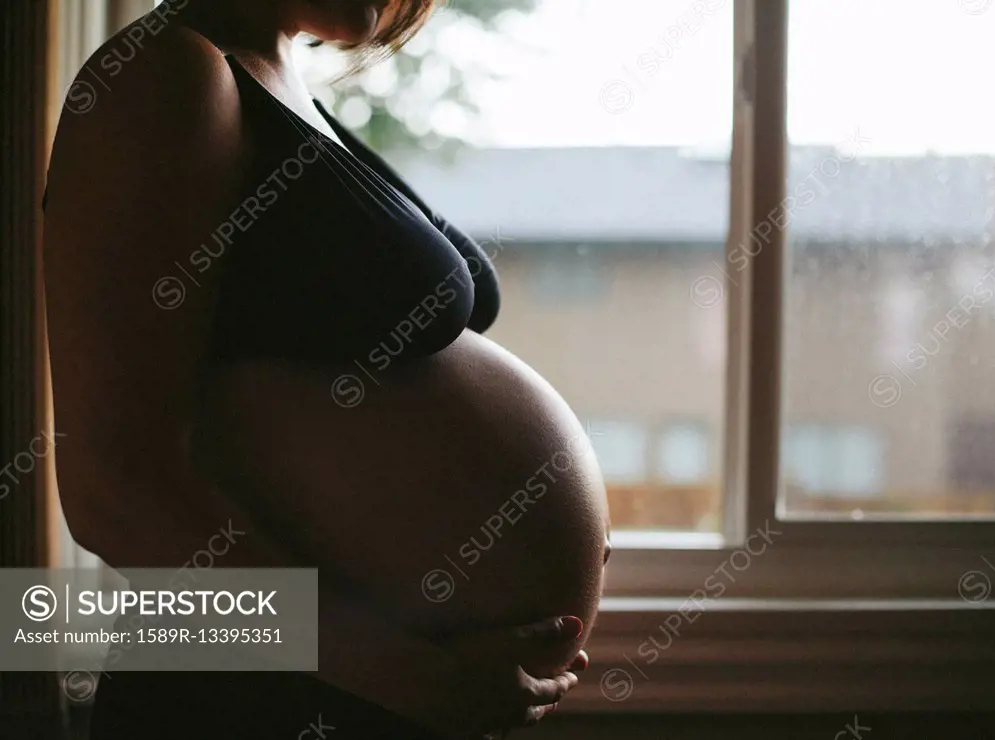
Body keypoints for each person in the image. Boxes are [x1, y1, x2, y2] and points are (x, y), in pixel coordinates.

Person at [42, 0, 612, 737]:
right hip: (269, 701)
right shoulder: (163, 75)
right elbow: (116, 492)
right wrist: (413, 678)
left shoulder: (281, 82)